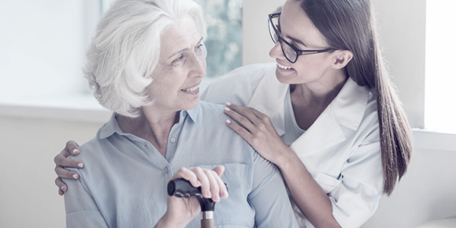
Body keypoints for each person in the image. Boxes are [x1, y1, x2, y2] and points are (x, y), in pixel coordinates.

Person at [55, 0, 413, 227]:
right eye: (279, 33)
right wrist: (90, 160)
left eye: (294, 47)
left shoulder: (369, 126)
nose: (275, 51)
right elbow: (154, 107)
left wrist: (283, 156)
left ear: (339, 58)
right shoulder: (238, 94)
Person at [60, 0, 298, 227]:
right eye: (180, 58)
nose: (201, 69)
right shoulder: (85, 170)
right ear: (134, 70)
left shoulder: (244, 133)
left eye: (198, 48)